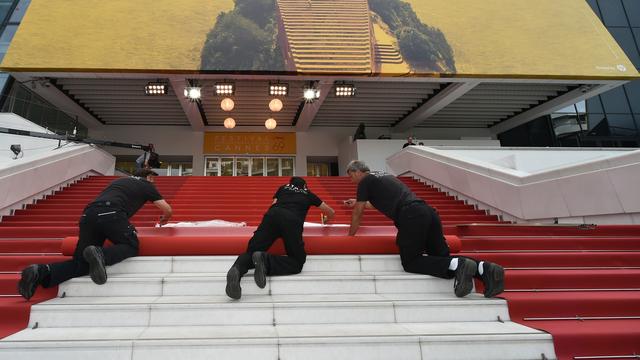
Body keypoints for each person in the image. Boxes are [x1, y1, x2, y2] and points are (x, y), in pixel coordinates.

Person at [343, 160, 504, 298]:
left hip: (410, 215)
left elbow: (359, 211)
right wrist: (357, 201)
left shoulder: (365, 181)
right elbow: (383, 201)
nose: (351, 181)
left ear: (357, 171)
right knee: (438, 257)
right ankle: (485, 268)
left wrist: (350, 236)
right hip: (426, 212)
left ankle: (459, 264)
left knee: (411, 261)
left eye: (350, 176)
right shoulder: (382, 175)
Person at [17, 169, 172, 301]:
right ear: (149, 177)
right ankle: (101, 254)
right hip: (112, 213)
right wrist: (164, 219)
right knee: (131, 245)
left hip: (88, 214)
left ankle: (41, 271)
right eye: (154, 180)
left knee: (82, 263)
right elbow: (167, 209)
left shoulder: (119, 182)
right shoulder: (146, 185)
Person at [226, 177, 335, 300]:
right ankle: (264, 260)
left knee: (250, 252)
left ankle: (237, 269)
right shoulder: (309, 194)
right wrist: (327, 219)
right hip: (292, 221)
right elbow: (330, 211)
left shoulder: (282, 188)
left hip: (272, 216)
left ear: (290, 184)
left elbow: (273, 204)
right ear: (305, 186)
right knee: (297, 262)